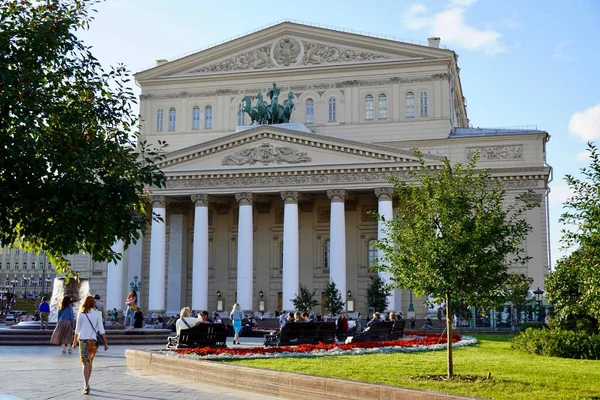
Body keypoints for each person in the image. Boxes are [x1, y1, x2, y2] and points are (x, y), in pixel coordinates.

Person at [72, 295, 108, 395]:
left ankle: (86, 384)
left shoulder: (81, 314)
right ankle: (87, 383)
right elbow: (101, 330)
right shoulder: (98, 314)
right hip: (93, 341)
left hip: (83, 340)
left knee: (85, 362)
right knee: (89, 362)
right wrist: (105, 342)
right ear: (93, 303)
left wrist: (74, 342)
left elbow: (77, 329)